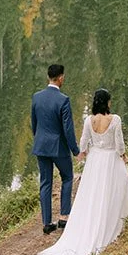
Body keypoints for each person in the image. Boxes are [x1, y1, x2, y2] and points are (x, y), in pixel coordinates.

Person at [37, 87, 128, 255]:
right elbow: (119, 144)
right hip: (110, 159)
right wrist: (124, 156)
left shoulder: (89, 121)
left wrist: (82, 154)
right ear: (107, 102)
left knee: (92, 194)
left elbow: (83, 143)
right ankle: (111, 223)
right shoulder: (115, 120)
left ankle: (90, 224)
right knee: (111, 191)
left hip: (95, 160)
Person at [31, 62, 79, 236]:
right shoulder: (63, 100)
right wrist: (75, 149)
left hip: (41, 146)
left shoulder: (36, 97)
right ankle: (64, 217)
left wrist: (40, 139)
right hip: (58, 148)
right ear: (61, 78)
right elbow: (68, 129)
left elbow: (34, 124)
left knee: (45, 183)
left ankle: (46, 223)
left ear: (48, 77)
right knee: (67, 177)